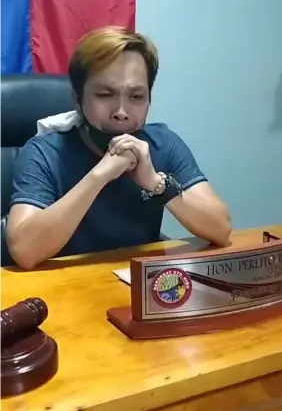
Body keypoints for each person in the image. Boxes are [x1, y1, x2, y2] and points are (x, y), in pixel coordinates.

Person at [7, 26, 231, 269]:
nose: (122, 112)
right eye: (105, 95)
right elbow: (24, 251)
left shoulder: (163, 143)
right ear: (78, 99)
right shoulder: (44, 152)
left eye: (136, 97)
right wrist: (99, 176)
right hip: (64, 288)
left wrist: (156, 184)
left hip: (135, 288)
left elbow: (220, 228)